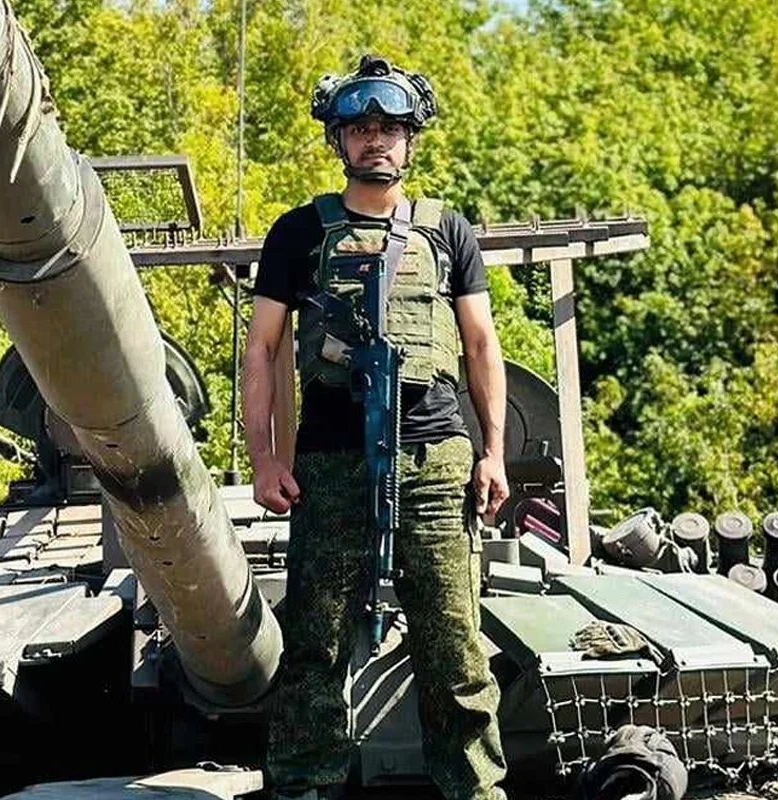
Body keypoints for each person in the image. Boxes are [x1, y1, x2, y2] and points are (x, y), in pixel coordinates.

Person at [242, 54, 511, 800]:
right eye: (359, 129)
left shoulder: (446, 232)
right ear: (338, 142)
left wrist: (493, 453)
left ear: (411, 138)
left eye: (389, 129)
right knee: (315, 646)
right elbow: (261, 349)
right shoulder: (300, 233)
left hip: (434, 454)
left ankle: (476, 790)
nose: (375, 143)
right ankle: (302, 788)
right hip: (330, 458)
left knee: (453, 644)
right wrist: (264, 460)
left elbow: (482, 345)